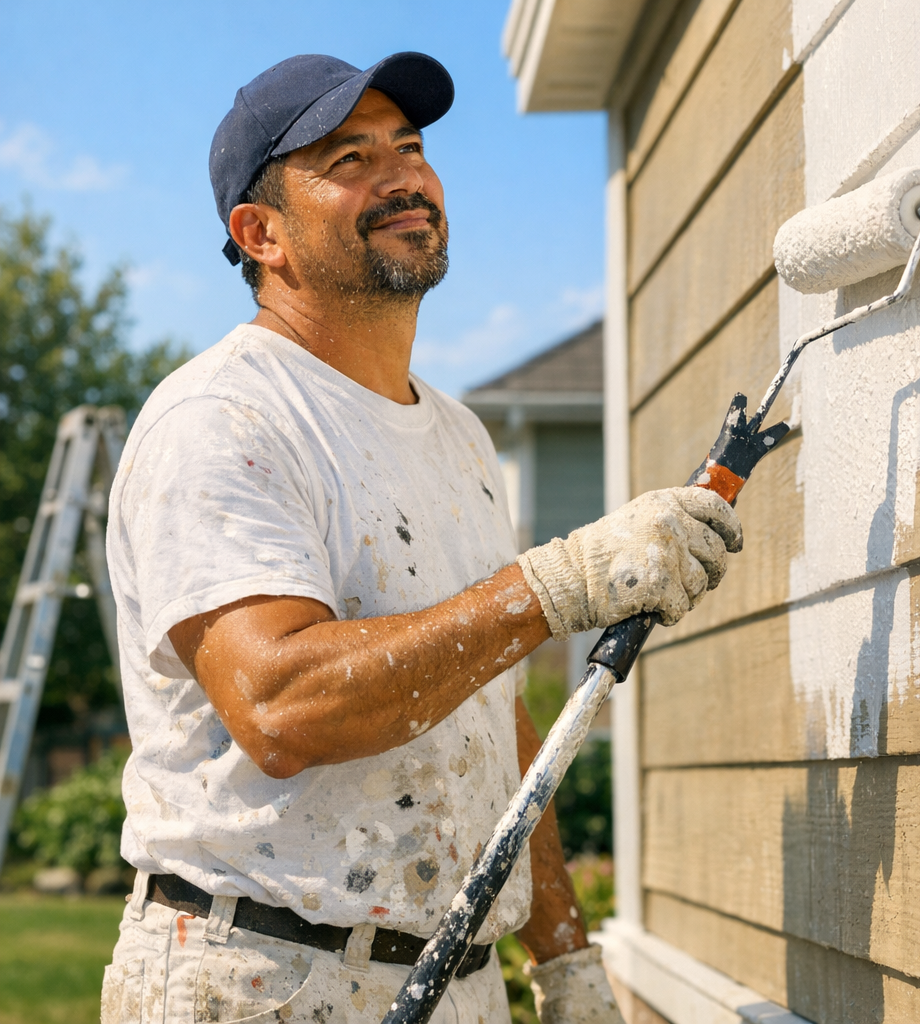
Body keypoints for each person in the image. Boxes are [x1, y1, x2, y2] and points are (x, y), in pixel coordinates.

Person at [100, 53, 743, 1024]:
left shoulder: (456, 436)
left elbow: (490, 723)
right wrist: (555, 585)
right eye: (349, 156)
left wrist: (562, 960)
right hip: (259, 977)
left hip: (454, 982)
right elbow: (280, 704)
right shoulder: (223, 417)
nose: (402, 175)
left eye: (410, 146)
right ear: (259, 232)